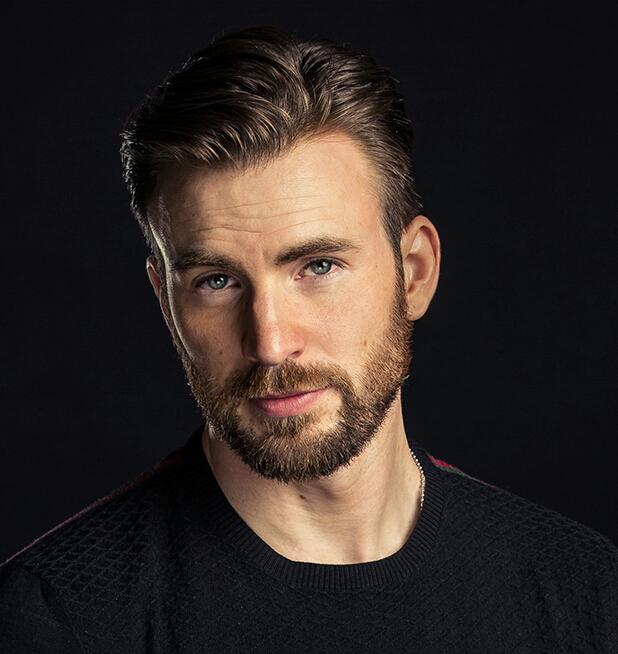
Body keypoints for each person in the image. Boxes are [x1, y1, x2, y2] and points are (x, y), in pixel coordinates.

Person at [1, 25, 616, 653]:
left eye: (318, 266)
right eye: (216, 281)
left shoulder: (584, 590)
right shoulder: (56, 619)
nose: (270, 343)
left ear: (414, 273)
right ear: (166, 300)